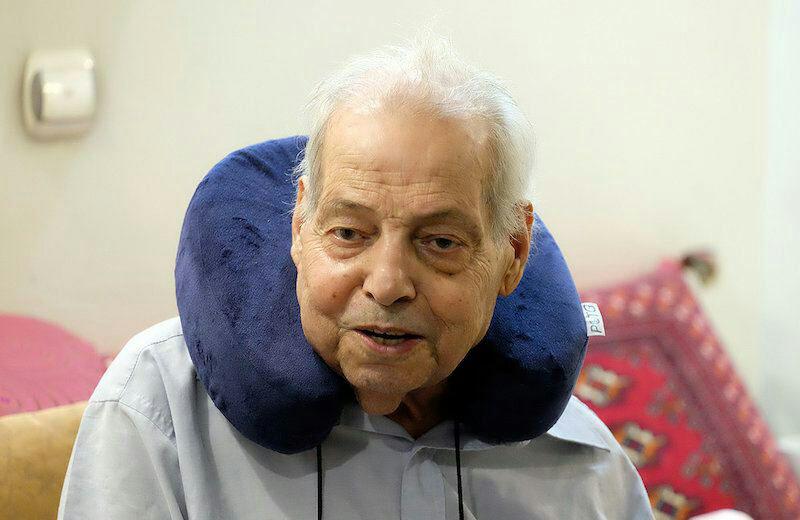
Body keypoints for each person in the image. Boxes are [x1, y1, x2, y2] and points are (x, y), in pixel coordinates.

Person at [58, 34, 653, 519]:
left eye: (440, 243)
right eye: (349, 233)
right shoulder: (159, 412)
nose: (387, 284)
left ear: (514, 253)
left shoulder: (587, 474)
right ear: (299, 227)